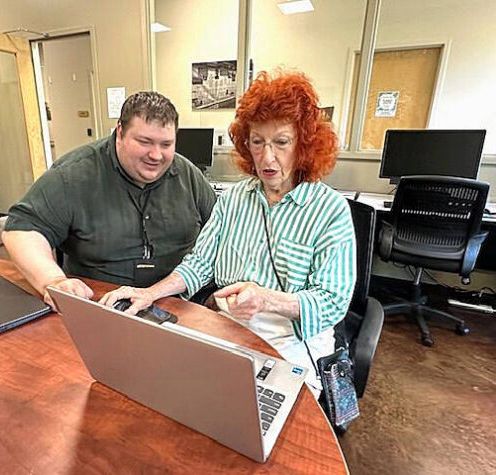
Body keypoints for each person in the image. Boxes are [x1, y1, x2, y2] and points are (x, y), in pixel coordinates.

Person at [99, 71, 356, 395]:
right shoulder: (234, 198)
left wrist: (266, 299)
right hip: (227, 330)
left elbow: (332, 302)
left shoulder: (330, 210)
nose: (267, 157)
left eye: (281, 142)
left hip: (291, 344)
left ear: (304, 144)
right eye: (257, 142)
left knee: (257, 428)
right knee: (169, 393)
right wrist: (150, 293)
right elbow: (200, 263)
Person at [2, 91, 216, 308]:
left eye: (166, 144)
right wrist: (53, 280)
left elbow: (224, 233)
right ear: (120, 132)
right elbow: (22, 231)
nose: (156, 155)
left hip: (179, 301)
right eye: (145, 142)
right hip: (101, 302)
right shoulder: (73, 175)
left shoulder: (189, 176)